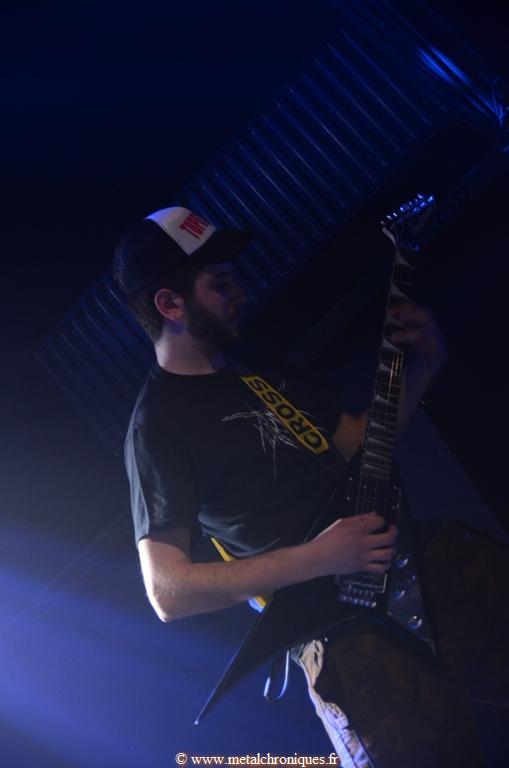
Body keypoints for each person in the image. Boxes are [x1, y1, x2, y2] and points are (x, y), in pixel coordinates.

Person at [113, 205, 507, 768]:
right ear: (170, 304)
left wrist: (422, 368)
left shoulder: (257, 364)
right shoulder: (156, 427)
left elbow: (355, 446)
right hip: (345, 639)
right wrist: (319, 558)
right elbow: (167, 591)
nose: (240, 292)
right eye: (219, 284)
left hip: (420, 565)